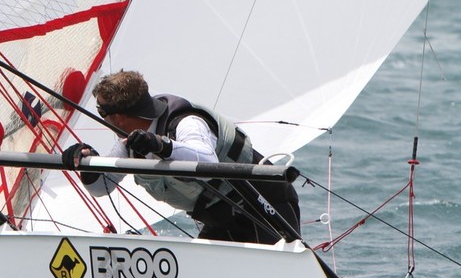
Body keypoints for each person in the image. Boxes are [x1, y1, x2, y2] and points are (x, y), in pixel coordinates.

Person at [62, 70, 299, 244]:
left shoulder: (186, 123)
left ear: (119, 116)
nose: (103, 118)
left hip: (266, 209)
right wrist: (87, 162)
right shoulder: (130, 142)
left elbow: (207, 162)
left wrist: (162, 145)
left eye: (102, 112)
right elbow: (102, 186)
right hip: (222, 220)